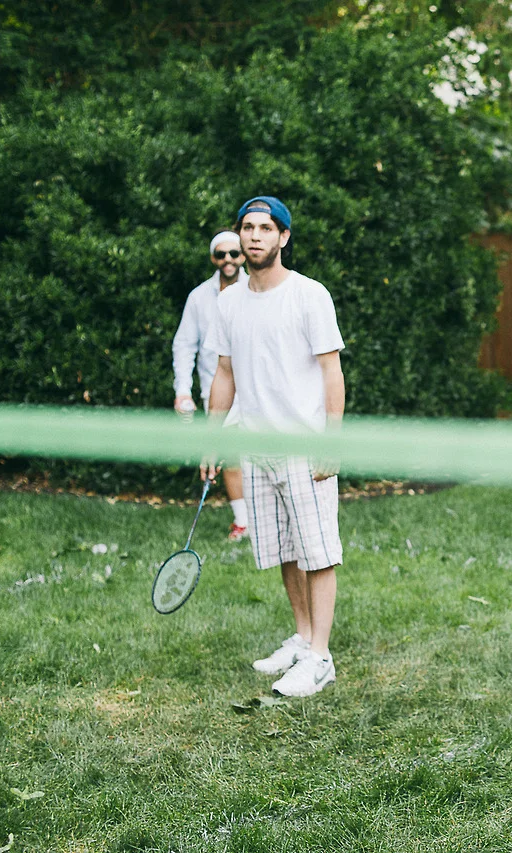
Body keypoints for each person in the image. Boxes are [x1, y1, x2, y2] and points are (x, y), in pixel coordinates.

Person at [202, 196, 346, 698]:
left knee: (317, 552)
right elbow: (224, 373)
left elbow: (332, 370)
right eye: (248, 227)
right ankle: (304, 638)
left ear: (283, 237)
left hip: (304, 446)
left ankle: (321, 658)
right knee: (285, 550)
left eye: (266, 228)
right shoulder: (228, 302)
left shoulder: (309, 295)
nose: (255, 235)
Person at [173, 230, 249, 541]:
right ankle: (243, 521)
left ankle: (266, 518)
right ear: (213, 258)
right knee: (229, 455)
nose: (228, 259)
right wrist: (182, 390)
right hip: (216, 388)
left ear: (243, 255)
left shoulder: (257, 290)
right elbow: (184, 345)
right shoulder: (198, 297)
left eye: (234, 253)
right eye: (221, 254)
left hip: (257, 390)